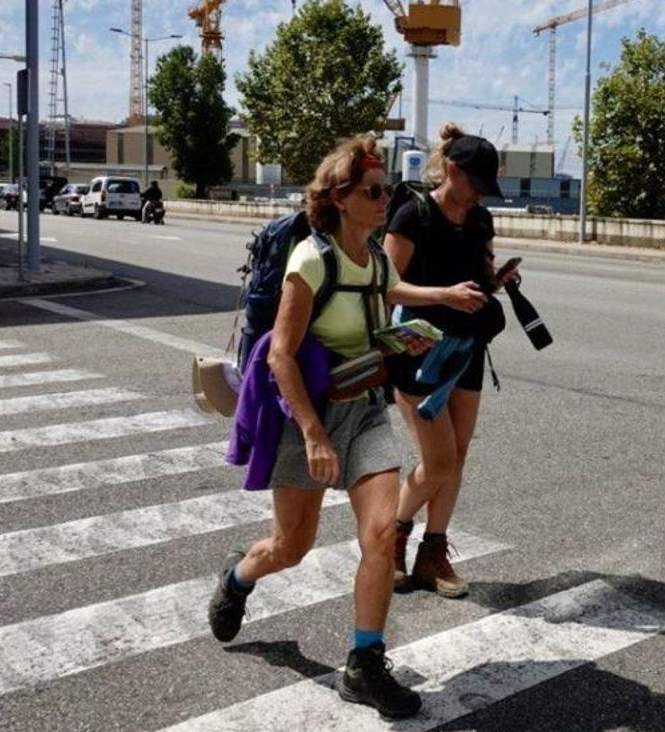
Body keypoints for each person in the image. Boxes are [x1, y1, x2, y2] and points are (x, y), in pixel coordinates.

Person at [205, 135, 483, 719]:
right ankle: (238, 576)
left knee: (381, 535)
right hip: (305, 412)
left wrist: (443, 301)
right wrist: (311, 433)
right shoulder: (311, 259)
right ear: (339, 198)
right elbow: (281, 355)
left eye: (387, 190)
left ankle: (363, 665)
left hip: (363, 409)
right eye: (374, 191)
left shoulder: (375, 255)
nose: (387, 199)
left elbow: (390, 288)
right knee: (291, 547)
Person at [384, 124, 518, 599]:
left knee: (456, 459)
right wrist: (444, 295)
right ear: (453, 170)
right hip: (416, 346)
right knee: (437, 461)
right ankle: (391, 537)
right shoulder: (412, 214)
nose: (481, 194)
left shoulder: (480, 220)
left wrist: (496, 281)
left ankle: (431, 555)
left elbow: (477, 279)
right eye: (476, 183)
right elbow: (386, 285)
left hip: (466, 347)